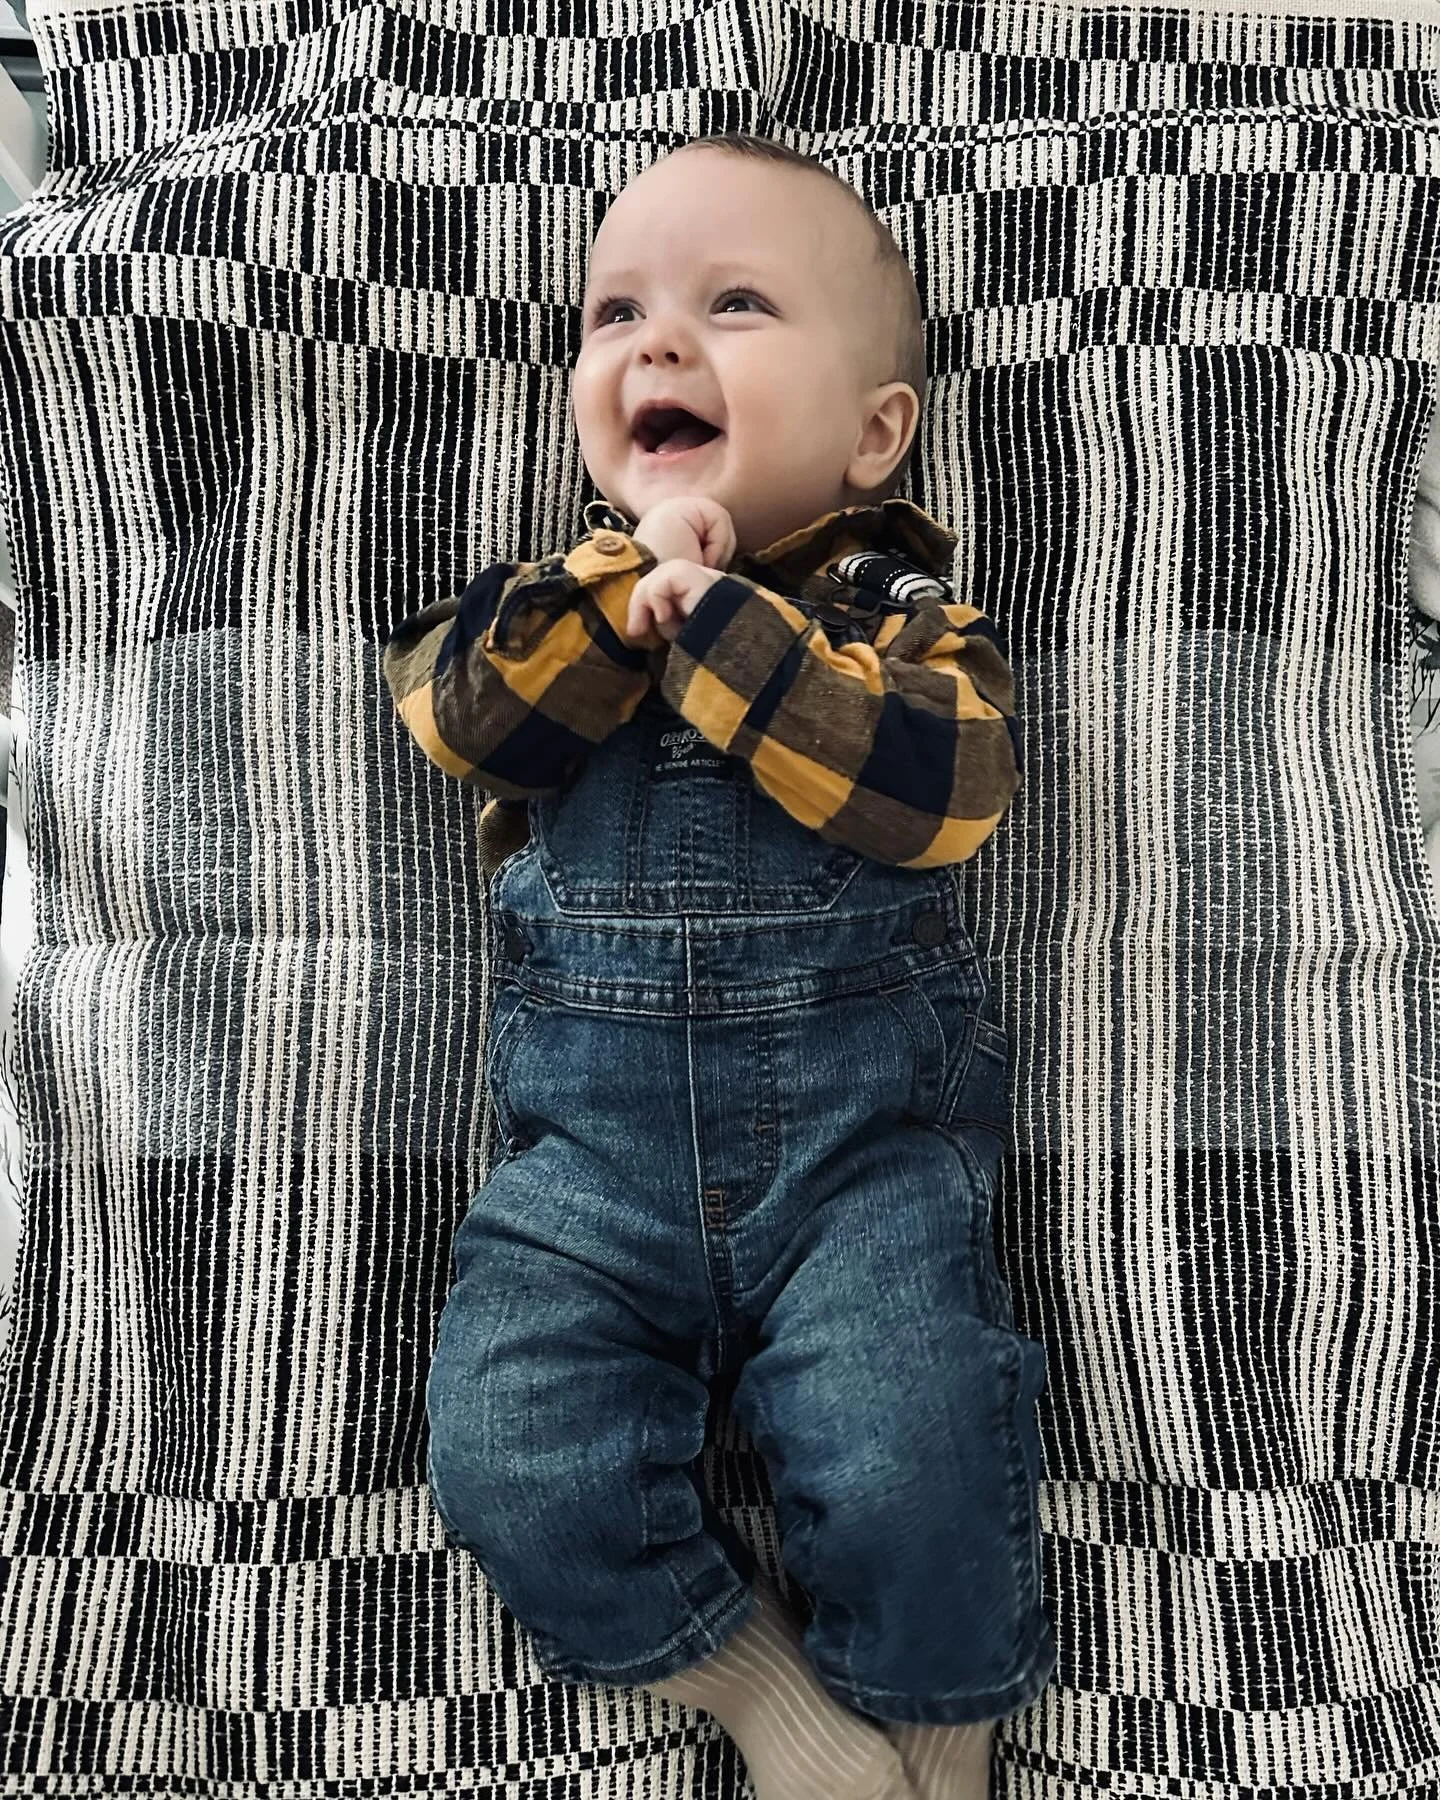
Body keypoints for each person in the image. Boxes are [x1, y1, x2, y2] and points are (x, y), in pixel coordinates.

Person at [381, 132, 1056, 1800]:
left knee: (924, 1447)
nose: (657, 343)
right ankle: (757, 1694)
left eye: (733, 304)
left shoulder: (897, 607)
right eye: (617, 312)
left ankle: (942, 1729)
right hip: (588, 1176)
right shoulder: (553, 602)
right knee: (512, 1450)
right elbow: (462, 721)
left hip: (859, 1160)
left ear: (871, 433)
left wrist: (727, 625)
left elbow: (944, 793)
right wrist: (633, 601)